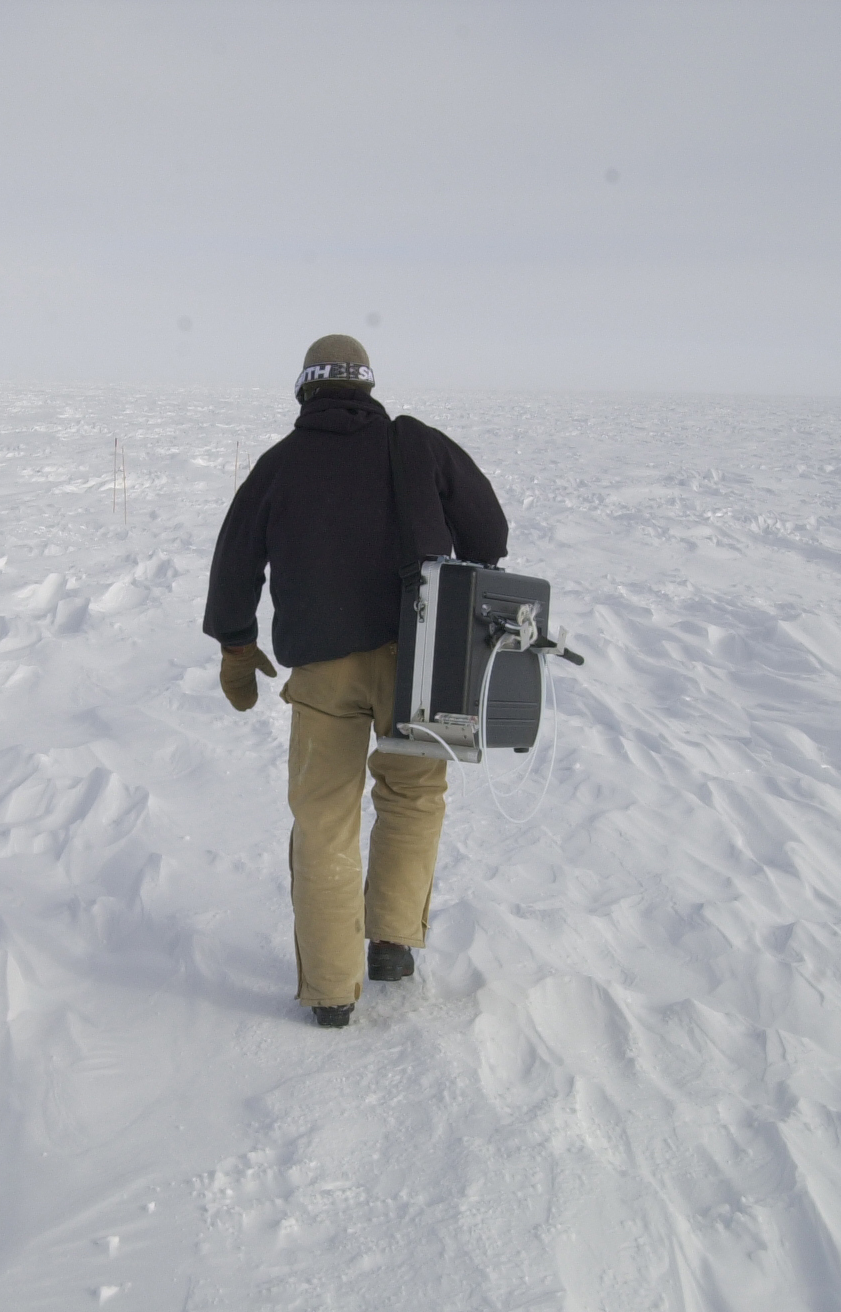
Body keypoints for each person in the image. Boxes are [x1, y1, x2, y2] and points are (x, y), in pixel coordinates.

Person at [202, 335, 508, 1028]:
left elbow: (235, 557)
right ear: (366, 388)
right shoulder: (418, 446)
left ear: (305, 388)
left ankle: (333, 994)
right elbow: (489, 527)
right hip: (423, 665)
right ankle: (393, 944)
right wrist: (469, 577)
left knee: (324, 823)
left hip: (325, 672)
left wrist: (235, 642)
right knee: (410, 797)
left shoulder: (280, 465)